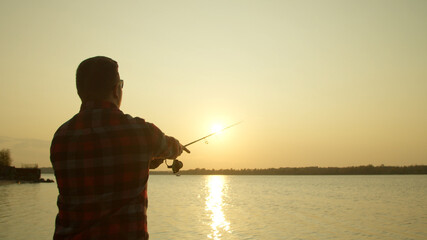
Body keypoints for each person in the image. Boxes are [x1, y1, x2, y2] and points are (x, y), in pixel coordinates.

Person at [50, 56, 186, 239]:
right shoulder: (142, 132)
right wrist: (176, 148)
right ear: (116, 90)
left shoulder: (60, 137)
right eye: (121, 84)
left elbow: (98, 165)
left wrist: (146, 160)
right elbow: (171, 148)